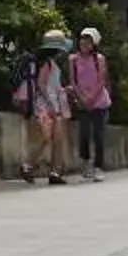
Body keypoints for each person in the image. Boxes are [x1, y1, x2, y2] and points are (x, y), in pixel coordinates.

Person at [12, 26, 74, 184]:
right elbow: (41, 85)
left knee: (54, 139)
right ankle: (31, 166)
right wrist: (51, 105)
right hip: (48, 105)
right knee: (48, 138)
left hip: (52, 103)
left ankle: (53, 171)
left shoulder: (50, 63)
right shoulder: (47, 64)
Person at [68, 27, 114, 181]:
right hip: (82, 102)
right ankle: (86, 162)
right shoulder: (73, 59)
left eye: (88, 42)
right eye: (82, 41)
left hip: (99, 102)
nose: (84, 44)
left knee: (98, 135)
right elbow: (73, 81)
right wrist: (81, 98)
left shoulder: (99, 59)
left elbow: (102, 81)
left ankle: (99, 167)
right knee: (84, 134)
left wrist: (92, 98)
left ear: (94, 44)